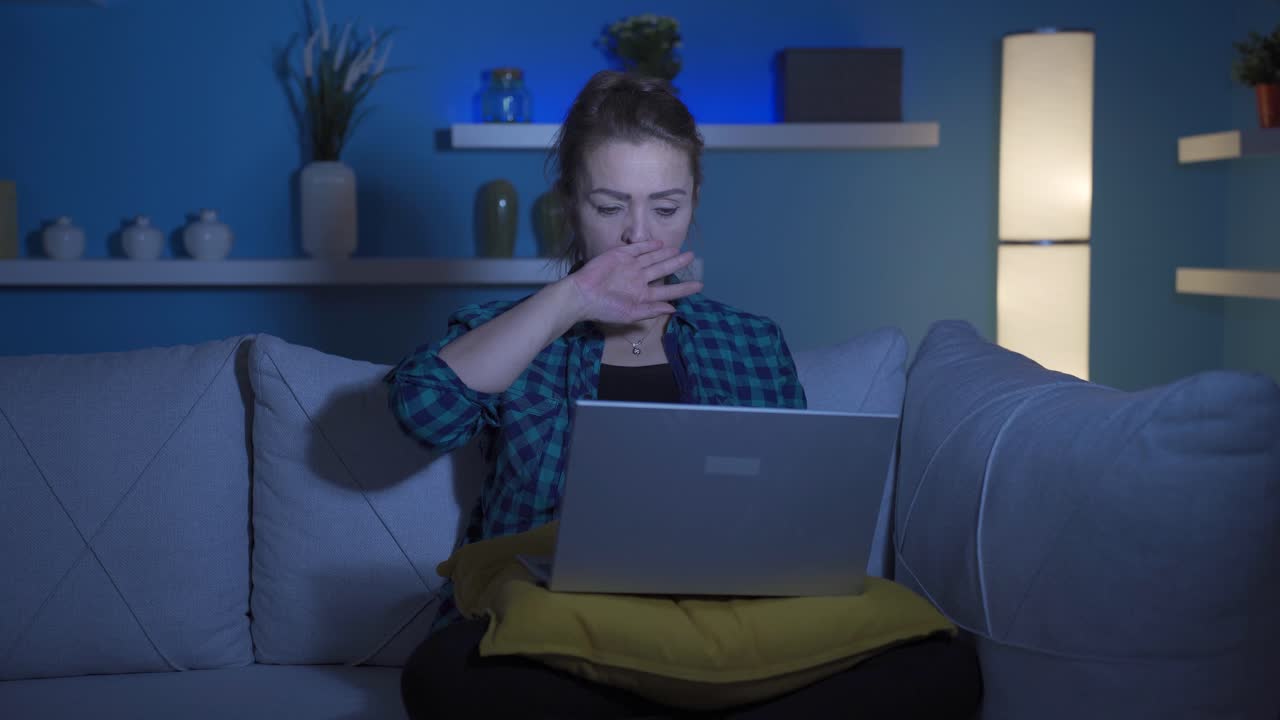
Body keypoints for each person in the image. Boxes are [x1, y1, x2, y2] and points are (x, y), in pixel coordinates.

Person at [387, 70, 981, 719]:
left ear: (695, 202)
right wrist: (570, 299)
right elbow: (423, 411)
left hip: (722, 624)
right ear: (568, 206)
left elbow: (790, 515)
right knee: (444, 675)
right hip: (559, 629)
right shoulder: (517, 331)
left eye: (665, 208)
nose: (638, 236)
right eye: (609, 206)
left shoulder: (750, 341)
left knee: (942, 667)